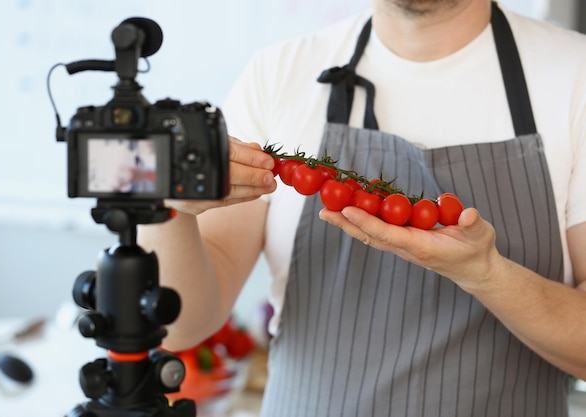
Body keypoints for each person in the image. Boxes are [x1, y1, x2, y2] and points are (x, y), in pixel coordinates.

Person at [139, 0, 586, 415]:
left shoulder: (575, 73)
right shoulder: (278, 72)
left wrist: (487, 275)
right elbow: (177, 325)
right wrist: (171, 210)